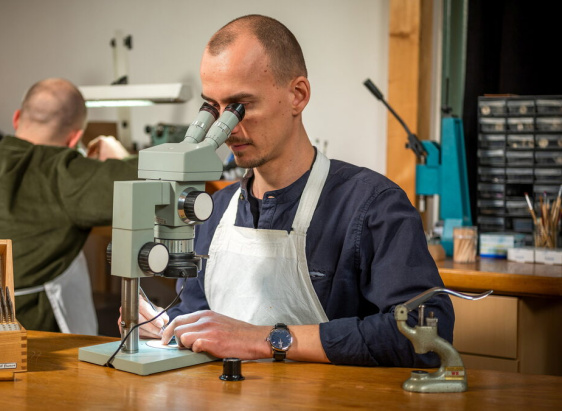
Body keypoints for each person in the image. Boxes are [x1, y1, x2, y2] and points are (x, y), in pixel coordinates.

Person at [133, 15, 453, 367]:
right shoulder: (214, 210)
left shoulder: (371, 205)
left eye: (242, 106)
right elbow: (203, 317)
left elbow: (426, 333)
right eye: (214, 108)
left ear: (297, 95)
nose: (227, 128)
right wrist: (167, 326)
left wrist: (267, 339)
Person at [0, 78, 138, 334]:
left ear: (16, 119)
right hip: (31, 337)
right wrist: (119, 155)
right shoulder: (65, 174)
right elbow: (145, 179)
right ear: (75, 139)